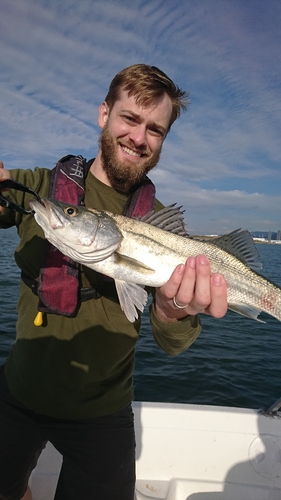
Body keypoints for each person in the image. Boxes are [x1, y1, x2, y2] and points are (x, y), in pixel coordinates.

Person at [0, 64, 228, 500]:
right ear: (104, 114)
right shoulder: (42, 189)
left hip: (103, 414)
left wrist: (170, 311)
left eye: (155, 130)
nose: (139, 138)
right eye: (129, 118)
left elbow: (174, 344)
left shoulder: (166, 230)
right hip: (17, 391)